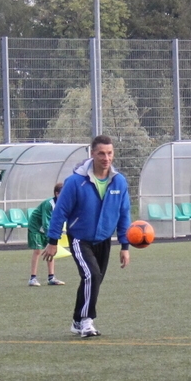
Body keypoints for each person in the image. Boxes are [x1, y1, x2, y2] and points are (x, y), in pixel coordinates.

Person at [42, 135, 131, 338]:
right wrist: (53, 241)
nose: (106, 158)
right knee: (92, 275)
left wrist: (125, 246)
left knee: (93, 280)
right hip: (80, 239)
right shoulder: (75, 182)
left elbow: (124, 213)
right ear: (92, 154)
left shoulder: (119, 181)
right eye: (101, 153)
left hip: (104, 239)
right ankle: (86, 321)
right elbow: (60, 212)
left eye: (109, 153)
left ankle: (76, 320)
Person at [26, 181, 66, 286]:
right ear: (57, 194)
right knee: (38, 251)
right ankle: (32, 278)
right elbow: (45, 222)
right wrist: (53, 237)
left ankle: (51, 277)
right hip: (36, 227)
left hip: (47, 229)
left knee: (51, 250)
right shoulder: (49, 204)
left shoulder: (64, 204)